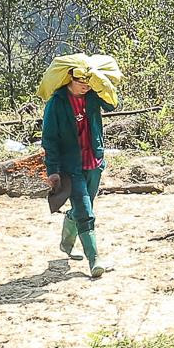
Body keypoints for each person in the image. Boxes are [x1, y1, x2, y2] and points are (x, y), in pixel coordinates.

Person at [43, 61, 115, 278]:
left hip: (94, 161)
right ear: (70, 78)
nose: (85, 85)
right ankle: (94, 260)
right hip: (70, 166)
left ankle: (66, 242)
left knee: (85, 206)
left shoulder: (93, 96)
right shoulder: (56, 103)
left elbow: (112, 105)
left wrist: (101, 84)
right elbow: (49, 139)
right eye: (81, 81)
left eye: (88, 81)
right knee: (85, 212)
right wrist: (53, 170)